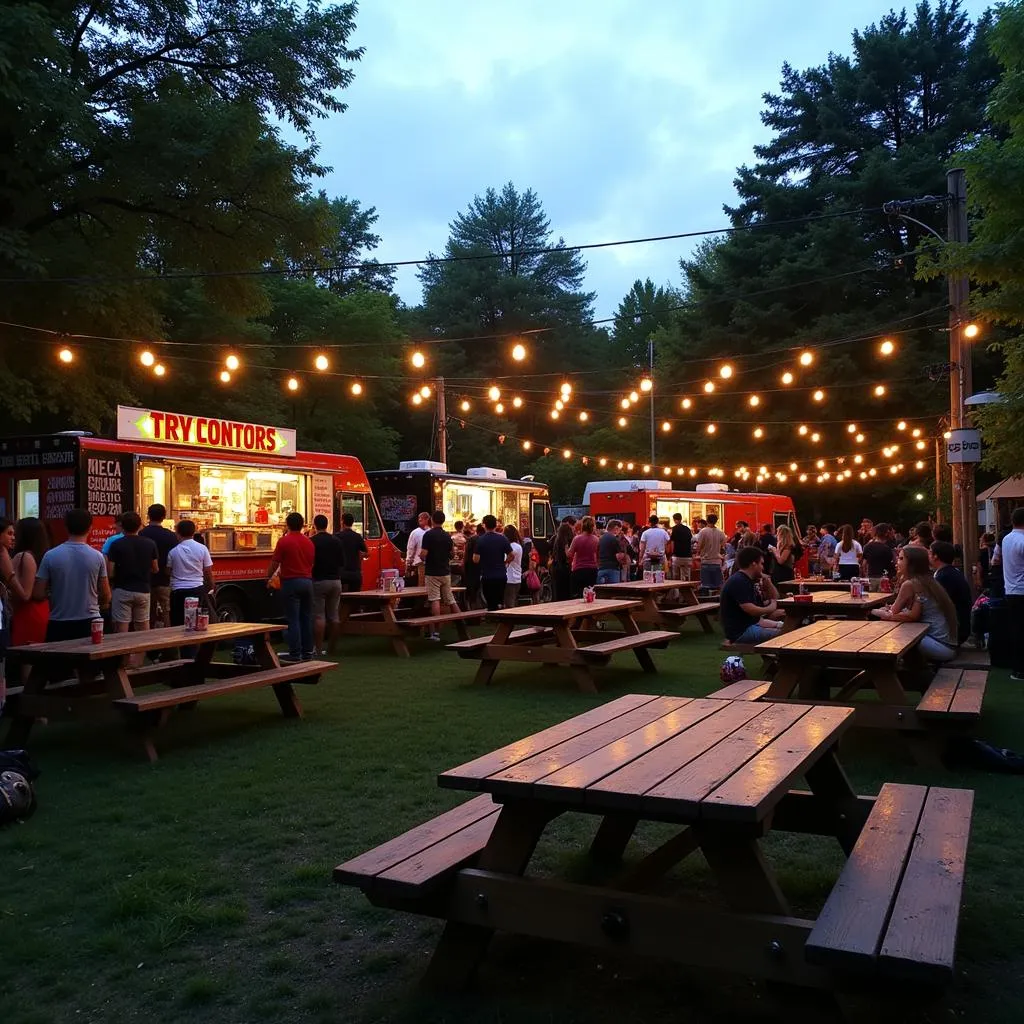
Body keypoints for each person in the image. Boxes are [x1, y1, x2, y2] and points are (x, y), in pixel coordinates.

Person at [33, 508, 110, 642]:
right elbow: (105, 594)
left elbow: (38, 593)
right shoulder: (97, 557)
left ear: (66, 527)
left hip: (59, 621)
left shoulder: (51, 556)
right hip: (90, 620)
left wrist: (54, 594)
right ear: (90, 528)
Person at [872, 546, 959, 662]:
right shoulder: (929, 581)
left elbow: (892, 612)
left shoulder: (910, 584)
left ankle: (884, 667)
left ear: (912, 563)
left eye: (901, 558)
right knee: (904, 630)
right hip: (948, 645)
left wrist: (873, 611)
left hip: (939, 646)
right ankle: (912, 669)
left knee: (898, 632)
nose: (896, 561)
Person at [267, 512, 314, 663]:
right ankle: (308, 651)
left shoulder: (284, 541)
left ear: (287, 524)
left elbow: (275, 562)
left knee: (293, 619)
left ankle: (295, 653)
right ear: (302, 525)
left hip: (290, 582)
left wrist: (268, 577)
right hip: (307, 581)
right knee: (306, 618)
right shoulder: (309, 542)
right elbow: (312, 562)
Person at [106, 511, 159, 644]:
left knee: (122, 627)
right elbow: (155, 568)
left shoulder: (116, 545)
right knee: (142, 626)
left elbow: (110, 571)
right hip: (143, 589)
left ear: (122, 526)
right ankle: (139, 660)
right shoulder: (150, 544)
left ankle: (123, 659)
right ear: (140, 526)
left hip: (122, 588)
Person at [166, 519, 215, 658]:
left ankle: (183, 654)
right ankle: (195, 652)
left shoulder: (173, 552)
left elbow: (168, 571)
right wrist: (211, 586)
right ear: (194, 532)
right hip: (197, 589)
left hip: (178, 591)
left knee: (180, 624)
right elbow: (208, 571)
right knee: (198, 624)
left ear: (177, 533)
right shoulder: (202, 548)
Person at [720, 547, 784, 645]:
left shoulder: (746, 580)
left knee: (788, 629)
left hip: (748, 628)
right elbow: (752, 610)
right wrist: (771, 607)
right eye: (761, 563)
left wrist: (769, 583)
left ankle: (773, 657)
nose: (763, 568)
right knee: (786, 635)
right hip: (741, 633)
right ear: (754, 564)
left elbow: (774, 598)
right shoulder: (739, 581)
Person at [10, 517, 50, 649]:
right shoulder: (42, 556)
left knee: (25, 657)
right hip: (38, 611)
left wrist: (9, 575)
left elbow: (25, 594)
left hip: (27, 614)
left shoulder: (24, 557)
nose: (13, 536)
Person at [421, 510, 459, 638]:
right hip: (445, 572)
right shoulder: (447, 536)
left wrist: (421, 557)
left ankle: (436, 631)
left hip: (432, 572)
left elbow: (423, 554)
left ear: (432, 520)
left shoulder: (428, 535)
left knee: (435, 599)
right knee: (450, 599)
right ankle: (461, 624)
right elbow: (452, 554)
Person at [310, 514, 344, 655]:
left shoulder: (312, 541)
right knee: (334, 616)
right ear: (327, 524)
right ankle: (332, 648)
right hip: (336, 581)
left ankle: (318, 649)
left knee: (319, 616)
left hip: (319, 580)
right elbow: (342, 562)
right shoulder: (336, 541)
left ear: (314, 525)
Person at [140, 504, 177, 629]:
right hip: (165, 579)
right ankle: (169, 640)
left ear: (148, 516)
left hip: (147, 579)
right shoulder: (171, 536)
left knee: (148, 613)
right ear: (164, 517)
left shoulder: (141, 533)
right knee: (167, 611)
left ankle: (150, 638)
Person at [929, 541, 972, 647]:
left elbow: (933, 606)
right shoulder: (950, 572)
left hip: (952, 633)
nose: (928, 555)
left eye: (930, 552)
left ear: (935, 556)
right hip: (959, 629)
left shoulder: (944, 577)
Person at [999, 506, 1024, 681]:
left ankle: (1017, 669)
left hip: (1011, 589)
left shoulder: (1006, 539)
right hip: (1022, 590)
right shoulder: (1022, 541)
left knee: (1017, 630)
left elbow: (996, 559)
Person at [473, 515, 514, 611]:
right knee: (499, 598)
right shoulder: (503, 538)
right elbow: (511, 555)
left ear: (484, 525)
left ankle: (492, 616)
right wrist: (505, 562)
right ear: (495, 525)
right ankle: (500, 615)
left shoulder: (480, 540)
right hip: (501, 574)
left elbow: (476, 559)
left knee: (490, 600)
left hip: (487, 575)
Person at [335, 512, 368, 593]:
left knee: (341, 599)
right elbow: (366, 553)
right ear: (352, 523)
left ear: (342, 522)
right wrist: (359, 556)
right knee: (355, 599)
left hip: (341, 573)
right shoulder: (357, 536)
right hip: (355, 573)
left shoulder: (337, 536)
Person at [567, 516, 599, 596]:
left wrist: (565, 548)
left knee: (577, 595)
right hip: (592, 570)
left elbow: (570, 554)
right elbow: (598, 556)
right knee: (590, 594)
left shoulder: (577, 539)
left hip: (578, 570)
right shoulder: (596, 540)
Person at [694, 513, 726, 591]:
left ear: (707, 521)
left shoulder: (703, 531)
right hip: (717, 561)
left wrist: (697, 554)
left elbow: (699, 545)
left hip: (706, 561)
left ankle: (707, 601)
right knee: (718, 585)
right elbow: (723, 545)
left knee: (706, 585)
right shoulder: (721, 532)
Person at [597, 519, 628, 585]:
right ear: (616, 528)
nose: (619, 532)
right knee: (613, 592)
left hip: (601, 569)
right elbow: (619, 557)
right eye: (620, 530)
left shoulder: (601, 538)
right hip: (612, 570)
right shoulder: (614, 539)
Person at [405, 511, 431, 586]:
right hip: (419, 563)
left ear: (427, 520)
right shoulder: (415, 532)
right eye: (419, 519)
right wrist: (409, 562)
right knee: (422, 583)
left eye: (422, 519)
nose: (420, 520)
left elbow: (411, 549)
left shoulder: (417, 532)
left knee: (423, 584)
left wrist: (408, 562)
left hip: (423, 562)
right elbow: (410, 549)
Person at [549, 521, 574, 601]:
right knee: (566, 593)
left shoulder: (555, 539)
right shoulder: (569, 541)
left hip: (556, 568)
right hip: (565, 569)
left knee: (557, 592)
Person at [462, 523, 484, 609]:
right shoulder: (484, 539)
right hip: (482, 567)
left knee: (472, 589)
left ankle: (472, 606)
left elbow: (466, 554)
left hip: (471, 567)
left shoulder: (472, 539)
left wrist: (464, 565)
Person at [503, 524, 524, 610]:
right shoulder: (518, 546)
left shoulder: (512, 547)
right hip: (516, 577)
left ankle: (509, 622)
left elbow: (505, 559)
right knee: (512, 601)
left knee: (509, 603)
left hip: (510, 577)